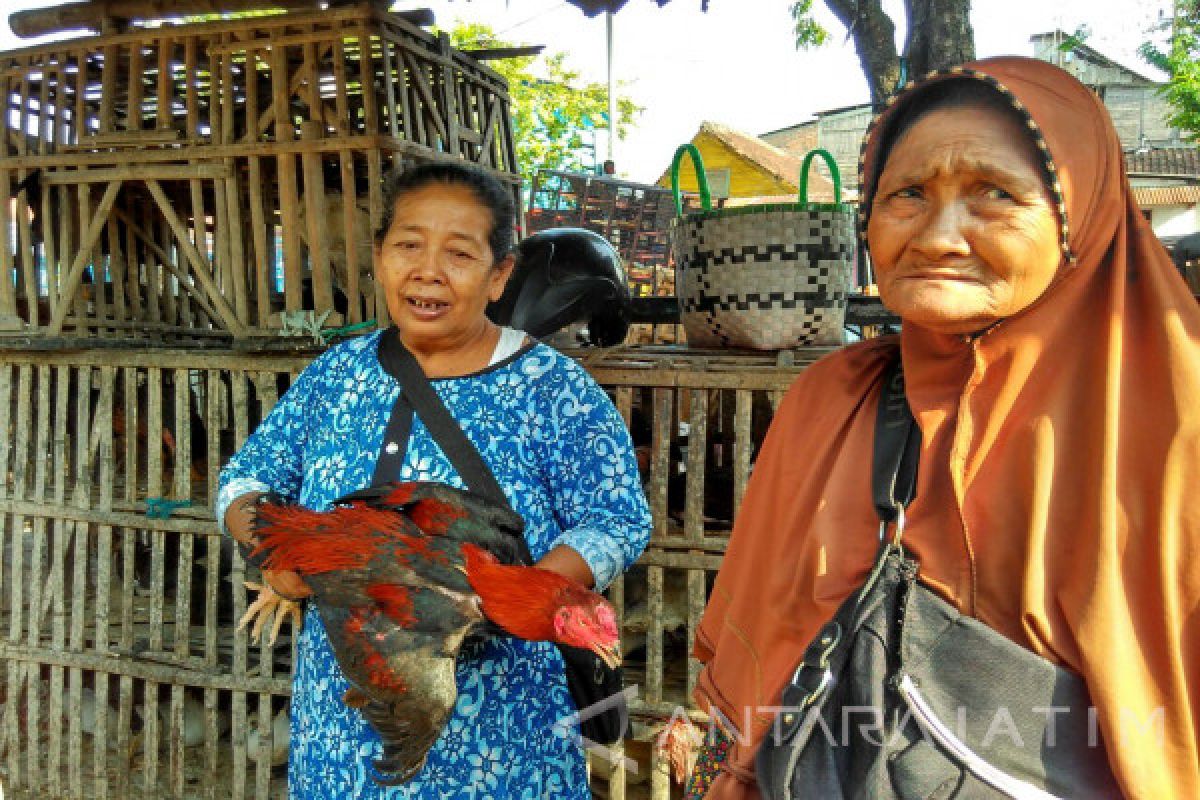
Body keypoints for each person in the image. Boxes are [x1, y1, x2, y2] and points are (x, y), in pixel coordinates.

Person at [686, 57, 1200, 799]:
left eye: (995, 193)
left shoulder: (1175, 416)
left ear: (1079, 215)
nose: (938, 236)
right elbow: (757, 649)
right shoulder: (834, 397)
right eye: (907, 195)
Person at [217, 161, 652, 799]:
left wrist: (511, 600)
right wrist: (271, 551)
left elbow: (617, 518)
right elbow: (247, 476)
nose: (429, 271)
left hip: (504, 742)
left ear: (500, 273)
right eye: (409, 246)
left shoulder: (554, 387)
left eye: (459, 253)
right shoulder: (337, 374)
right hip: (341, 742)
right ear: (381, 257)